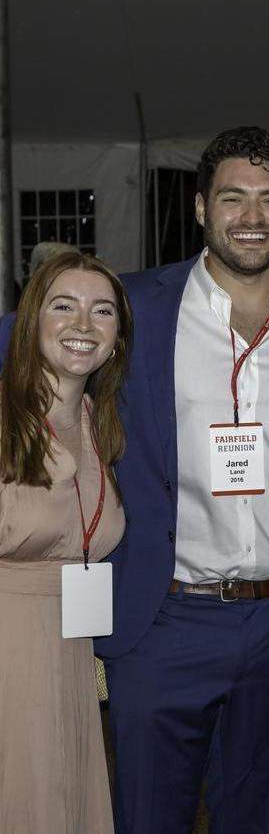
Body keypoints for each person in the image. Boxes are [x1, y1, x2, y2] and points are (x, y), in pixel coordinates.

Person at [99, 126, 269, 833]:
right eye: (233, 197)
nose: (252, 216)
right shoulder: (132, 310)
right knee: (149, 815)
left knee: (259, 815)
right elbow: (29, 352)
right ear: (198, 208)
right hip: (164, 616)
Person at [0, 251, 132, 833]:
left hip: (73, 652)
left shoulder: (104, 424)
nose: (83, 325)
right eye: (64, 306)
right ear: (32, 321)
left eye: (102, 311)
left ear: (117, 338)